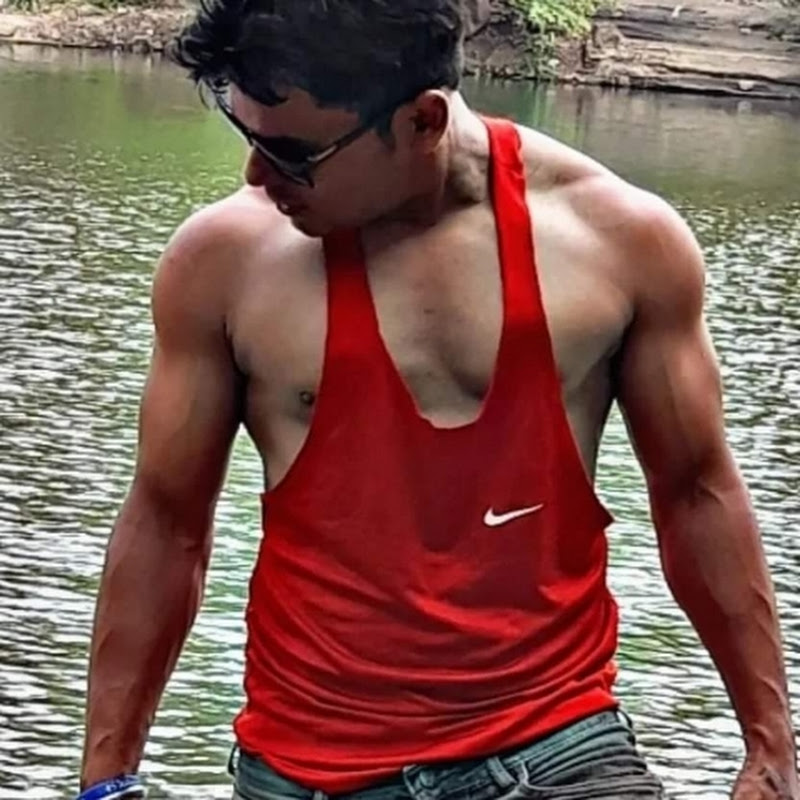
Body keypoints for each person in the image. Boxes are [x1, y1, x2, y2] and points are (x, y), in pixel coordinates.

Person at [77, 1, 798, 799]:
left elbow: (695, 492)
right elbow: (166, 520)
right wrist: (106, 781)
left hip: (556, 753)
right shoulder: (226, 261)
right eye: (247, 136)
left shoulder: (619, 240)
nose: (256, 175)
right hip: (308, 773)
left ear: (423, 120)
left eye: (293, 154)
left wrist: (770, 749)